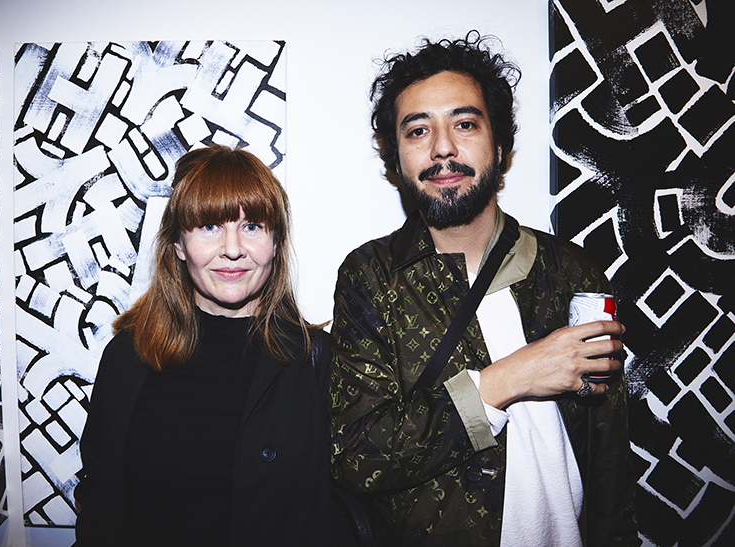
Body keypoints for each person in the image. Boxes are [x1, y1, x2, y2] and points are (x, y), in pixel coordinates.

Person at [329, 32, 639, 547]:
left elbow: (609, 460)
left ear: (499, 146)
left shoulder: (570, 272)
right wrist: (508, 379)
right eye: (418, 131)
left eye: (465, 124)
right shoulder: (372, 277)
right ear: (397, 160)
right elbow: (357, 458)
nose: (442, 148)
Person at [73, 145, 334, 546]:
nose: (232, 248)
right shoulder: (129, 354)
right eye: (210, 226)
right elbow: (100, 501)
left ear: (275, 243)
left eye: (252, 226)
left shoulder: (315, 361)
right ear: (178, 244)